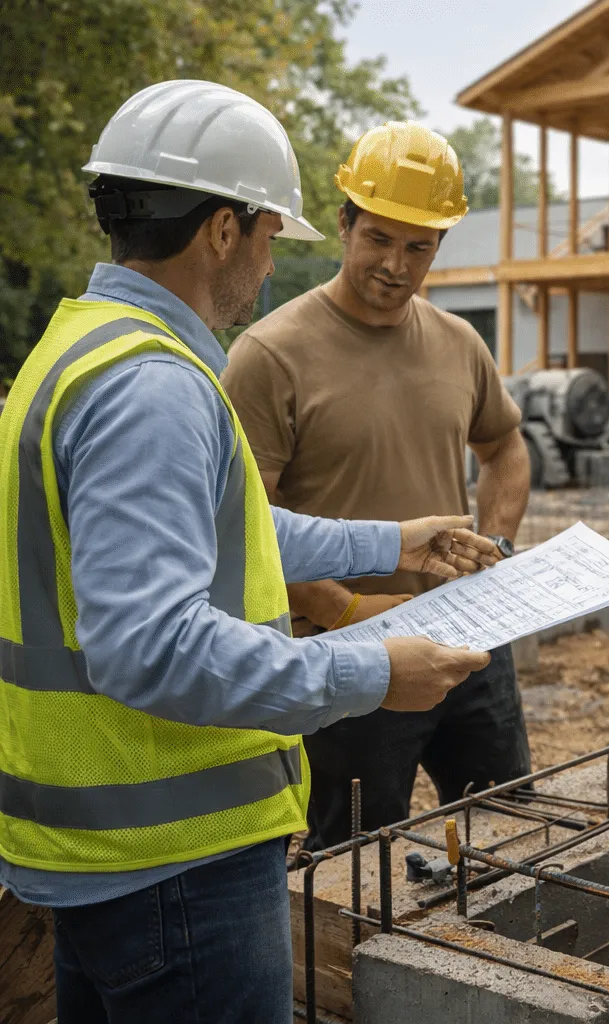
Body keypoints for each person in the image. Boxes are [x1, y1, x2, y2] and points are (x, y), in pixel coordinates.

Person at [0, 80, 503, 1022]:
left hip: (110, 855)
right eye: (273, 236)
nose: (272, 266)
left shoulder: (84, 349)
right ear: (222, 230)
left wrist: (392, 539)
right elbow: (147, 645)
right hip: (169, 861)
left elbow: (220, 524)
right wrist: (365, 669)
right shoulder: (151, 387)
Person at [223, 121, 534, 849]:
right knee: (358, 861)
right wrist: (347, 609)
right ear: (344, 223)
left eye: (418, 246)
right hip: (350, 656)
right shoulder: (271, 354)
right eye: (379, 239)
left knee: (511, 833)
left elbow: (506, 448)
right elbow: (245, 523)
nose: (396, 264)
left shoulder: (460, 344)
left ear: (440, 246)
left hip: (469, 638)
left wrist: (497, 546)